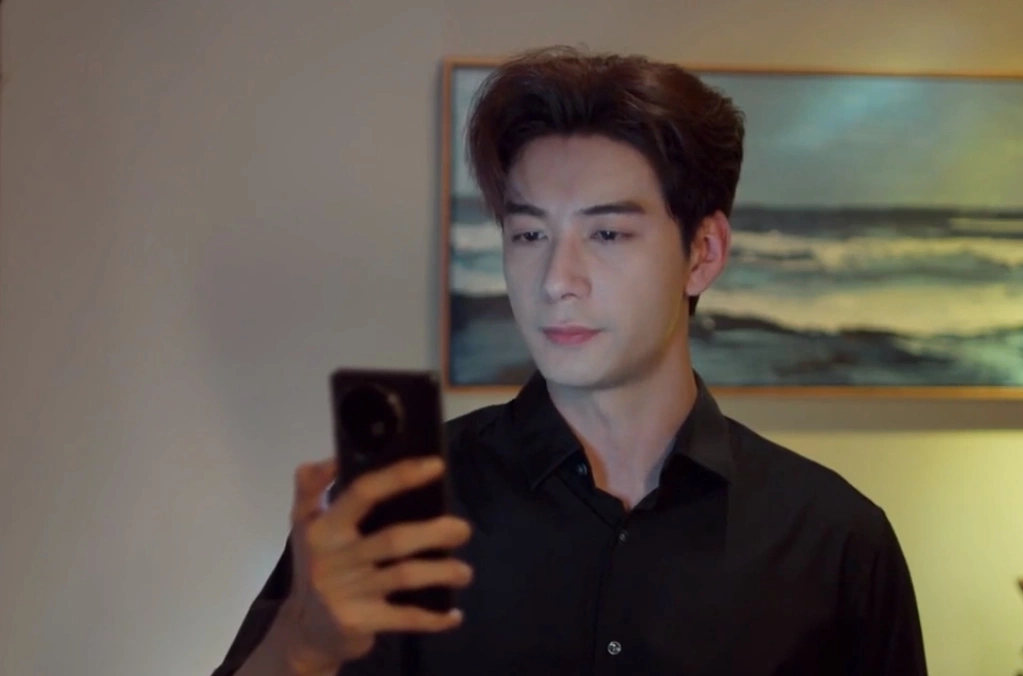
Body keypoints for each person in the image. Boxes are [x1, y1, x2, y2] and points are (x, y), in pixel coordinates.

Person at [212, 46, 929, 676]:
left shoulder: (834, 540)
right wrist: (300, 649)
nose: (557, 279)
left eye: (607, 233)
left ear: (702, 253)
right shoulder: (397, 516)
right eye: (529, 235)